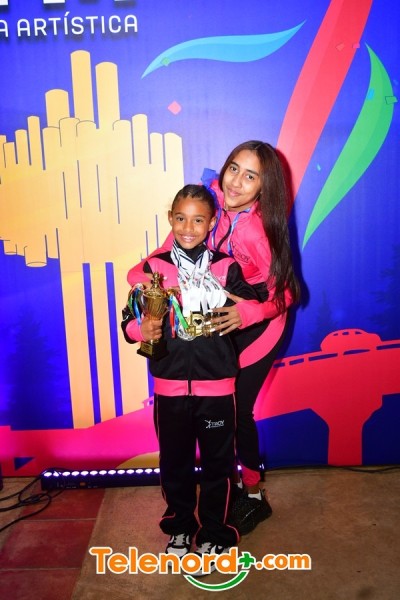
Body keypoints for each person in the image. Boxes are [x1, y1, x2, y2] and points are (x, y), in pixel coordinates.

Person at [127, 141, 300, 536]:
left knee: (237, 409)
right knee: (213, 410)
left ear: (264, 186)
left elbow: (286, 293)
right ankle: (223, 488)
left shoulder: (258, 231)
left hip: (259, 322)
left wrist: (249, 312)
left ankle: (252, 492)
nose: (236, 181)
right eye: (234, 168)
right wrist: (146, 280)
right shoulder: (208, 205)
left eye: (251, 176)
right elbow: (157, 261)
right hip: (218, 320)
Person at [121, 184, 258, 573]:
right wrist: (140, 330)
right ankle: (180, 528)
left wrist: (241, 314)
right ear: (170, 219)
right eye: (180, 218)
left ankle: (215, 533)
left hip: (217, 386)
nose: (188, 227)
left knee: (218, 464)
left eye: (198, 220)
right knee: (174, 463)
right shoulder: (154, 268)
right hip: (169, 387)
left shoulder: (226, 267)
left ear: (211, 223)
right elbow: (129, 317)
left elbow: (249, 310)